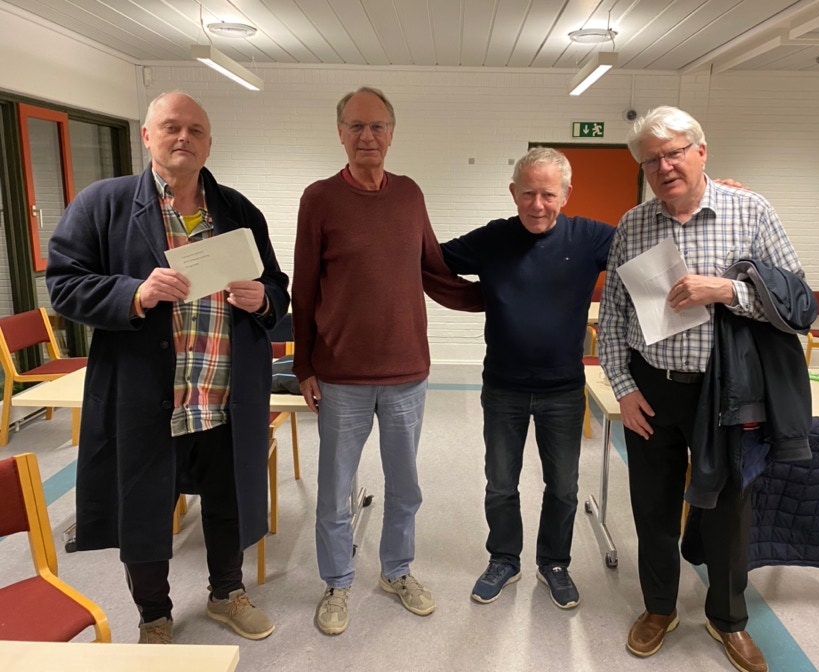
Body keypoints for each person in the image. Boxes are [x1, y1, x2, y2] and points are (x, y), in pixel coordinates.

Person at [46, 91, 289, 645]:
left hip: (221, 393)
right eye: (171, 127)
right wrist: (134, 293)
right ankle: (153, 614)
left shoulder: (238, 211)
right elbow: (63, 284)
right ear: (147, 136)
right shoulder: (103, 203)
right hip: (147, 395)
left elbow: (277, 285)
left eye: (196, 130)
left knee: (228, 498)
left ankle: (227, 593)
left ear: (209, 143)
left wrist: (264, 299)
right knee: (144, 507)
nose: (184, 138)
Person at [597, 106, 809, 672]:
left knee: (730, 509)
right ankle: (659, 608)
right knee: (653, 506)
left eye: (673, 153)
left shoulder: (751, 211)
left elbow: (797, 299)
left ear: (701, 151)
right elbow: (613, 316)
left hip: (728, 392)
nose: (664, 167)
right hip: (652, 389)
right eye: (650, 160)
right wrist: (623, 387)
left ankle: (728, 618)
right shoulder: (633, 224)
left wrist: (726, 291)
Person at [291, 86, 483, 636]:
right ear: (340, 133)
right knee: (335, 492)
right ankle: (337, 582)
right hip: (341, 376)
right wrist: (304, 366)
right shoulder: (319, 198)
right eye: (356, 126)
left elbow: (433, 269)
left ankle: (397, 571)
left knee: (405, 487)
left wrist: (494, 296)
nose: (367, 136)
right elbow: (304, 288)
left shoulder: (409, 194)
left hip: (406, 375)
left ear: (392, 133)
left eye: (377, 126)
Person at [440, 147, 616, 609]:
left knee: (563, 488)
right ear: (513, 192)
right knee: (501, 484)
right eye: (528, 194)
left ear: (566, 194)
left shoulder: (591, 237)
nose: (538, 205)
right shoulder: (493, 238)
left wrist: (708, 197)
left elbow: (652, 244)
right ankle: (504, 559)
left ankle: (554, 563)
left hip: (563, 390)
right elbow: (432, 261)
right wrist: (479, 298)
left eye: (548, 194)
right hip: (504, 388)